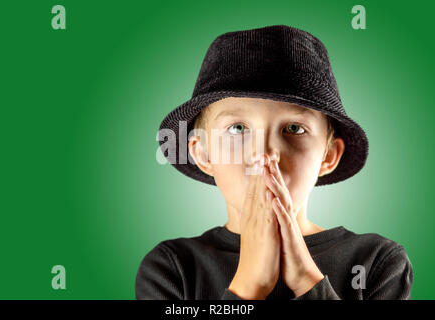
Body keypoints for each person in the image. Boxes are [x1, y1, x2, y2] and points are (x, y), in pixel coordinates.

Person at [136, 25, 413, 300]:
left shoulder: (377, 261)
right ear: (203, 154)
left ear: (328, 156)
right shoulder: (172, 268)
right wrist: (248, 285)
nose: (265, 154)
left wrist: (308, 280)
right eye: (237, 129)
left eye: (294, 129)